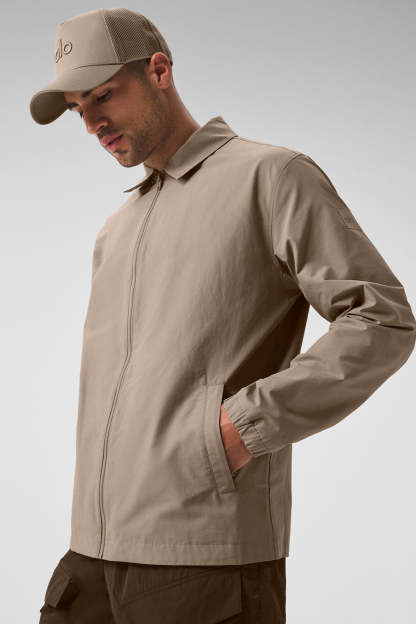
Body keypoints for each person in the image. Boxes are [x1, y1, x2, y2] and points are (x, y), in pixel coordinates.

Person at [30, 7, 416, 624]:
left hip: (206, 562)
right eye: (79, 109)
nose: (93, 123)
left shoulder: (271, 177)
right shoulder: (116, 229)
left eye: (104, 95)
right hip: (90, 559)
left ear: (159, 72)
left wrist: (241, 428)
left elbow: (381, 318)